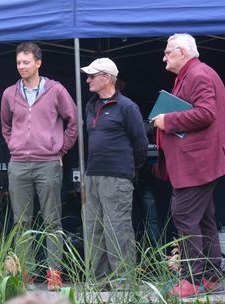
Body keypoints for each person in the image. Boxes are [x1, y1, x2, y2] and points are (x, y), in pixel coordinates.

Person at [154, 33, 225, 297]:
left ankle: (192, 279)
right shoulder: (195, 74)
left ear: (183, 52)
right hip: (200, 159)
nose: (164, 57)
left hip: (199, 161)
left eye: (168, 52)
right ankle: (211, 277)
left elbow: (206, 113)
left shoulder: (199, 74)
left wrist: (169, 120)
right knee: (204, 218)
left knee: (184, 214)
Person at [1, 42, 78, 290]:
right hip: (19, 164)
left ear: (38, 63)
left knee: (52, 221)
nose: (21, 67)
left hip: (48, 163)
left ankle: (54, 273)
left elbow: (73, 122)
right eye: (18, 63)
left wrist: (60, 148)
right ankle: (26, 273)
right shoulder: (9, 93)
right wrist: (14, 144)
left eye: (26, 62)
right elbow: (5, 126)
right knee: (21, 221)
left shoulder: (55, 90)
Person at [80, 58, 148, 284]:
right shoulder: (91, 105)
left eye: (92, 75)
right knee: (94, 228)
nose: (87, 79)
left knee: (117, 228)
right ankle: (99, 280)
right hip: (93, 174)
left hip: (117, 176)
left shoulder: (127, 106)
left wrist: (128, 169)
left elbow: (140, 143)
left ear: (107, 77)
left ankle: (123, 282)